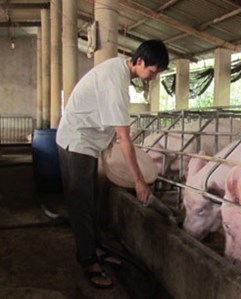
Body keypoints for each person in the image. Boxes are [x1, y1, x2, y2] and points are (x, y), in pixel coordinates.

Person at [56, 40, 169, 289]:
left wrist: (106, 145)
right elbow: (126, 139)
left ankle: (94, 248)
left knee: (93, 199)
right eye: (152, 71)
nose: (152, 78)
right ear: (139, 61)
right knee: (81, 204)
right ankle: (87, 260)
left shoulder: (119, 69)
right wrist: (139, 180)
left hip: (88, 141)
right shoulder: (115, 81)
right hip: (76, 141)